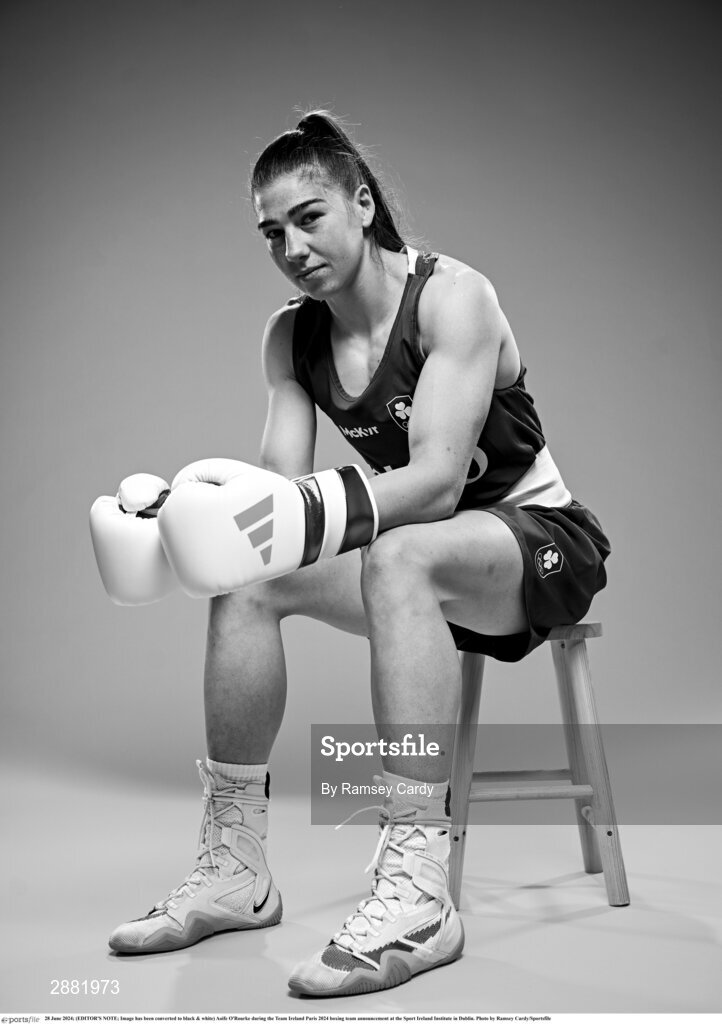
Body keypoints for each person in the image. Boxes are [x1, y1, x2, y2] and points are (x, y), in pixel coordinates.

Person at [90, 111, 609, 997]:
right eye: (271, 232)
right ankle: (235, 870)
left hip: (536, 548)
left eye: (310, 216)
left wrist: (279, 517)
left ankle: (418, 888)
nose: (291, 247)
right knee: (257, 580)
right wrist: (187, 524)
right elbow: (277, 500)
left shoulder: (452, 297)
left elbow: (440, 484)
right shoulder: (291, 338)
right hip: (413, 561)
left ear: (362, 205)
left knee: (400, 555)